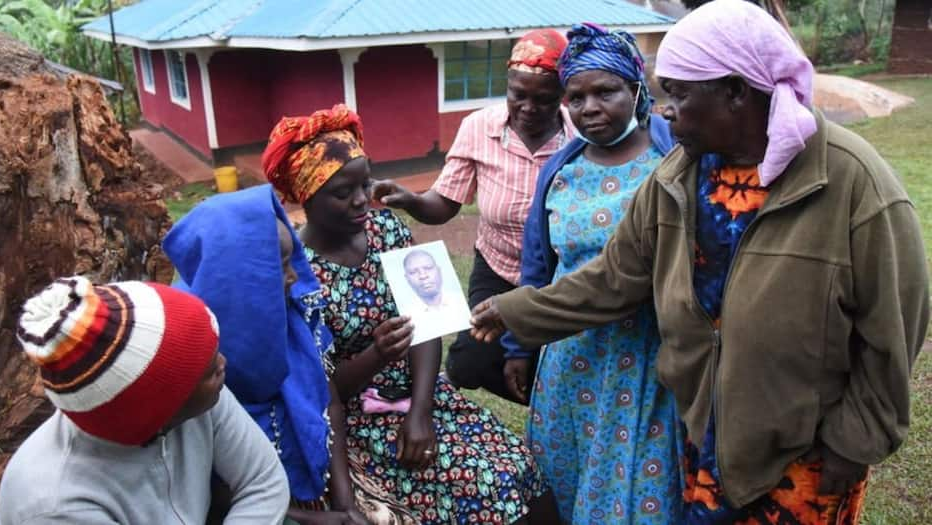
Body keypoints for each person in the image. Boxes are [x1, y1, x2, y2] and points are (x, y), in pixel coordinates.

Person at [469, 1, 929, 524]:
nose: (666, 110)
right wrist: (516, 310)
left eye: (682, 95)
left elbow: (892, 325)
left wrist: (856, 439)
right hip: (700, 431)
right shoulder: (679, 178)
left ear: (735, 91)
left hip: (806, 451)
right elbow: (613, 279)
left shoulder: (850, 183)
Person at [262, 104, 559, 525]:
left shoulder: (388, 232)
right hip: (362, 422)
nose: (362, 200)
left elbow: (428, 322)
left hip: (423, 395)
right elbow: (321, 391)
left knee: (516, 465)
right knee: (483, 486)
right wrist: (376, 356)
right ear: (307, 196)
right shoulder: (298, 272)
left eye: (364, 184)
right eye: (342, 193)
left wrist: (421, 411)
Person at [500, 23, 682, 524]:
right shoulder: (560, 170)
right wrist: (519, 348)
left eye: (606, 92)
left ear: (636, 90)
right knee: (566, 477)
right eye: (575, 97)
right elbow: (538, 265)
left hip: (643, 354)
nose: (589, 108)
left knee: (635, 483)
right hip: (570, 355)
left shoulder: (671, 160)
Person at [164, 184, 419, 525]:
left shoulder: (294, 318)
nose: (294, 276)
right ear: (242, 274)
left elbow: (330, 405)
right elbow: (206, 489)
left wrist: (345, 503)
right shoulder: (194, 357)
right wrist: (310, 519)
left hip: (316, 478)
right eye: (280, 266)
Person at [373, 28, 575, 403]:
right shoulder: (479, 128)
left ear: (562, 96)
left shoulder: (581, 138)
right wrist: (411, 200)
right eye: (519, 95)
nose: (529, 107)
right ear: (508, 85)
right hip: (497, 268)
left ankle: (554, 406)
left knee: (555, 362)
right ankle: (538, 398)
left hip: (561, 277)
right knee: (471, 362)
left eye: (544, 100)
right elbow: (445, 204)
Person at [0, 276, 290, 525]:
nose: (223, 364)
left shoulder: (195, 394)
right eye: (209, 371)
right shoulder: (55, 505)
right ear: (159, 412)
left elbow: (264, 483)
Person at [401, 249, 470, 344]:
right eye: (413, 272)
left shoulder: (460, 303)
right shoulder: (407, 315)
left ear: (439, 270)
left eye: (428, 268)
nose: (423, 276)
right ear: (407, 278)